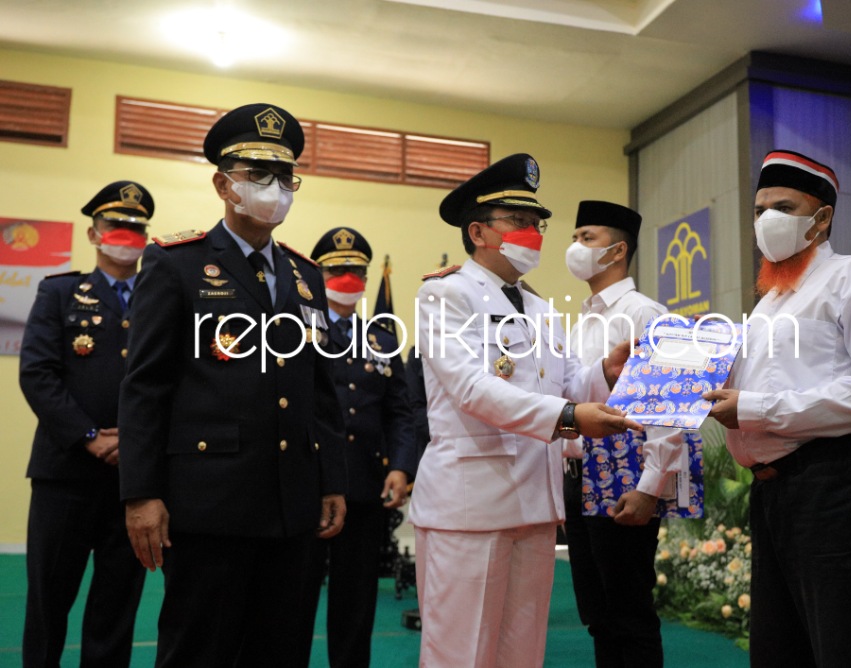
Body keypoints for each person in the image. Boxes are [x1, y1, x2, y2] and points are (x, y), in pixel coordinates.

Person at [116, 103, 348, 668]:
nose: (275, 190)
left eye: (285, 178)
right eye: (258, 175)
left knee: (281, 650)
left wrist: (331, 480)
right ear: (223, 184)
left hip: (291, 501)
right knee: (200, 649)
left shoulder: (305, 274)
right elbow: (145, 386)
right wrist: (141, 494)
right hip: (209, 502)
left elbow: (320, 389)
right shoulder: (176, 263)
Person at [409, 153, 643, 668]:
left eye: (537, 223)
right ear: (478, 232)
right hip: (469, 506)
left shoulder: (539, 307)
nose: (533, 233)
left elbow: (565, 382)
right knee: (460, 655)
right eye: (518, 220)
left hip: (534, 504)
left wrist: (605, 374)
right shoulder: (445, 295)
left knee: (522, 654)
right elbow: (471, 388)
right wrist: (568, 417)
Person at [703, 149, 851, 668]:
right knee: (779, 651)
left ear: (822, 217)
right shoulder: (767, 306)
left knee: (849, 648)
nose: (766, 220)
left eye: (783, 207)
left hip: (840, 483)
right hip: (775, 493)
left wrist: (756, 409)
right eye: (759, 210)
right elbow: (751, 392)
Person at [19, 181, 153, 668]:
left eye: (136, 228)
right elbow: (37, 374)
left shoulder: (160, 300)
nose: (126, 235)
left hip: (132, 481)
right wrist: (90, 437)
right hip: (65, 474)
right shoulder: (59, 292)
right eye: (115, 225)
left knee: (116, 607)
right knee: (49, 600)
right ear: (94, 234)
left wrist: (134, 444)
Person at [562, 200, 684, 667]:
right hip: (579, 474)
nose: (575, 247)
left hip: (623, 474)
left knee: (629, 612)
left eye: (586, 237)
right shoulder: (584, 318)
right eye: (575, 238)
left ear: (617, 251)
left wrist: (650, 486)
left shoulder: (644, 312)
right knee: (598, 614)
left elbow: (668, 406)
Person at [304, 227, 417, 667]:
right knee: (293, 600)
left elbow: (400, 413)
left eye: (356, 271)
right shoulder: (296, 332)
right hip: (308, 484)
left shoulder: (383, 342)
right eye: (337, 271)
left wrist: (401, 467)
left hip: (365, 487)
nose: (347, 279)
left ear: (367, 280)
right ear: (318, 277)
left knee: (356, 602)